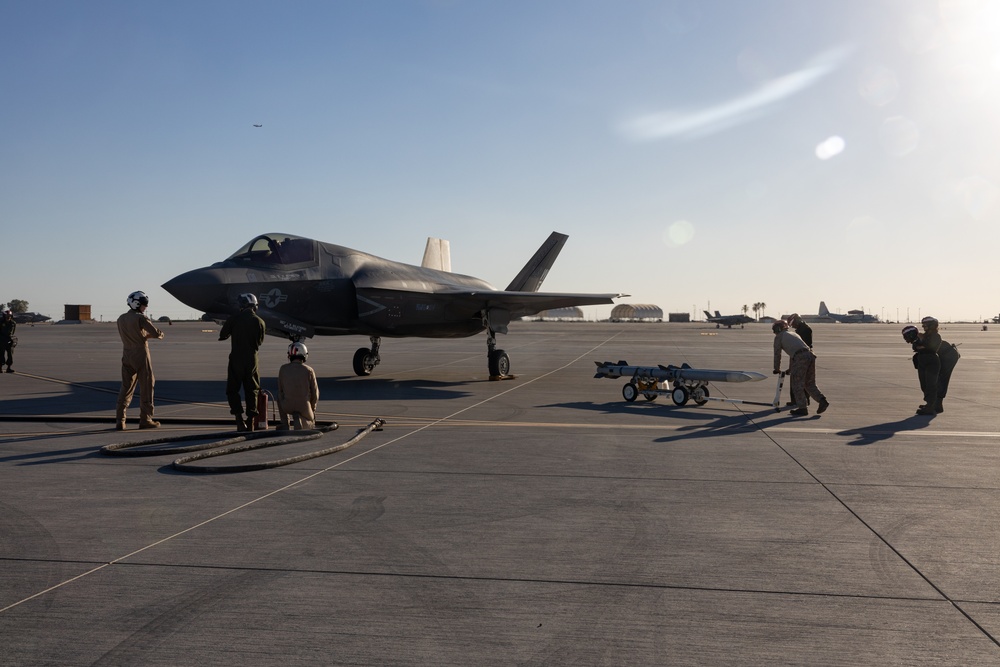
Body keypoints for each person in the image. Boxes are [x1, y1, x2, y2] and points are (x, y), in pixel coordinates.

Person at [116, 291, 164, 430]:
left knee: (126, 387)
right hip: (141, 354)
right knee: (147, 386)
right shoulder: (140, 318)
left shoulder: (121, 318)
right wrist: (151, 336)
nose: (145, 308)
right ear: (137, 304)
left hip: (126, 354)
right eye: (144, 305)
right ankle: (146, 419)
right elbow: (156, 333)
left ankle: (120, 420)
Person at [220, 293, 266, 431]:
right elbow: (259, 342)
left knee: (232, 390)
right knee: (252, 389)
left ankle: (239, 421)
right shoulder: (260, 321)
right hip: (252, 359)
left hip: (236, 358)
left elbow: (223, 335)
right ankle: (251, 421)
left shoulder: (234, 319)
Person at [773, 319, 829, 416]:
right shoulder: (793, 334)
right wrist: (790, 369)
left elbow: (777, 354)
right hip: (810, 355)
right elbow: (794, 353)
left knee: (797, 384)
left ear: (778, 329)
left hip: (800, 358)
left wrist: (776, 368)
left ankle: (803, 408)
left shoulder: (779, 337)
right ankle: (822, 400)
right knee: (809, 383)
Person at [277, 341, 319, 430]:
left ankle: (284, 423)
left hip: (287, 406)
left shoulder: (283, 369)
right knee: (311, 423)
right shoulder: (309, 370)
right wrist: (312, 409)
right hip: (304, 406)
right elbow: (315, 394)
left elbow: (280, 391)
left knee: (279, 397)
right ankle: (303, 422)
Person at [784, 314, 813, 406]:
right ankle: (800, 400)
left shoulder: (804, 330)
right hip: (803, 356)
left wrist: (792, 365)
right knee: (803, 380)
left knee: (798, 380)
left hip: (801, 357)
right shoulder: (803, 329)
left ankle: (799, 401)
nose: (792, 326)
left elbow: (801, 346)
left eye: (793, 324)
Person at [0, 309, 16, 373]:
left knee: (10, 354)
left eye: (9, 316)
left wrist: (11, 338)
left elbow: (13, 331)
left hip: (9, 339)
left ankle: (8, 368)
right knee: (1, 354)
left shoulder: (13, 323)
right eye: (7, 316)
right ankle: (0, 368)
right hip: (1, 340)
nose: (8, 317)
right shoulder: (0, 322)